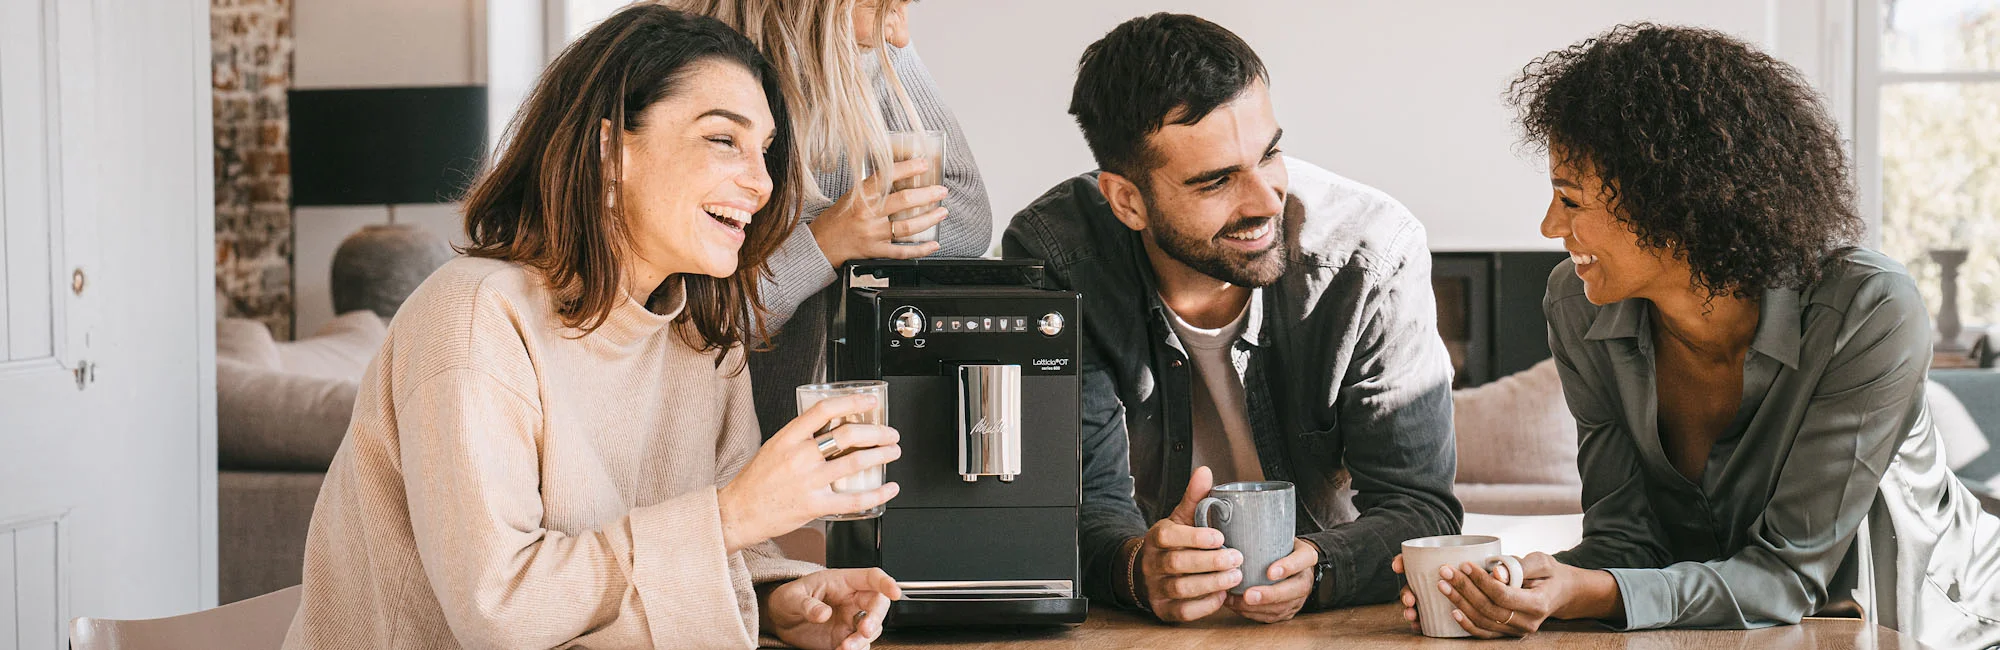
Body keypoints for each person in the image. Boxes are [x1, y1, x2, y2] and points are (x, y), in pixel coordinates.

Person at [284, 7, 905, 649]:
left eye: (767, 151)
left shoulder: (700, 339)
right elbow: (500, 613)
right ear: (611, 152)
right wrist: (730, 516)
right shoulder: (475, 319)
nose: (763, 183)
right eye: (724, 140)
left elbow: (718, 558)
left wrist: (776, 598)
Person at [1397, 24, 2000, 648]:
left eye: (1569, 199)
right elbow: (1624, 539)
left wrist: (1592, 590)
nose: (1550, 224)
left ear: (1669, 200)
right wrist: (1517, 585)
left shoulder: (1868, 310)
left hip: (1938, 629)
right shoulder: (1577, 304)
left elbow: (1788, 575)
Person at [1004, 13, 1461, 624]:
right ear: (1127, 201)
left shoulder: (1371, 252)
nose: (1265, 200)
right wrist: (1140, 568)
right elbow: (1075, 505)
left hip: (1328, 621)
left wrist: (1320, 569)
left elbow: (1420, 509)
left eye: (1269, 153)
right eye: (1216, 180)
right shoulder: (1056, 258)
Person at [668, 0, 995, 439]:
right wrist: (826, 242)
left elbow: (965, 218)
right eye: (887, 4)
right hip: (701, 444)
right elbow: (693, 324)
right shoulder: (682, 67)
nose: (900, 30)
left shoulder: (857, 51)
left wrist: (888, 48)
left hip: (806, 435)